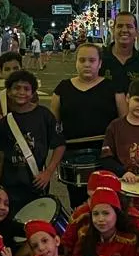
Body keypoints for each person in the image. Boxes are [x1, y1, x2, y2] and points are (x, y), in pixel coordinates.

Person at [50, 42, 125, 208]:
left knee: (105, 205)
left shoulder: (113, 88)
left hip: (106, 157)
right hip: (72, 156)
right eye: (82, 60)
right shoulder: (62, 88)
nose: (87, 64)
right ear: (76, 62)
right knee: (78, 206)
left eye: (92, 60)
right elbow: (54, 125)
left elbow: (124, 124)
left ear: (100, 63)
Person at [0, 68, 65, 217]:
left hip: (36, 183)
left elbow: (60, 145)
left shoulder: (44, 116)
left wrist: (48, 172)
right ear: (8, 92)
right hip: (9, 186)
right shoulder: (5, 123)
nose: (21, 92)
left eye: (26, 89)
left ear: (33, 93)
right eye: (16, 88)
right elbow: (0, 156)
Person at [71, 187, 139, 256]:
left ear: (117, 214)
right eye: (95, 214)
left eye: (106, 213)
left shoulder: (128, 242)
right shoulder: (84, 236)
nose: (100, 219)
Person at [101, 11, 139, 95]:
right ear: (113, 30)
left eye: (129, 26)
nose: (124, 30)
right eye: (120, 26)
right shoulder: (99, 58)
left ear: (136, 32)